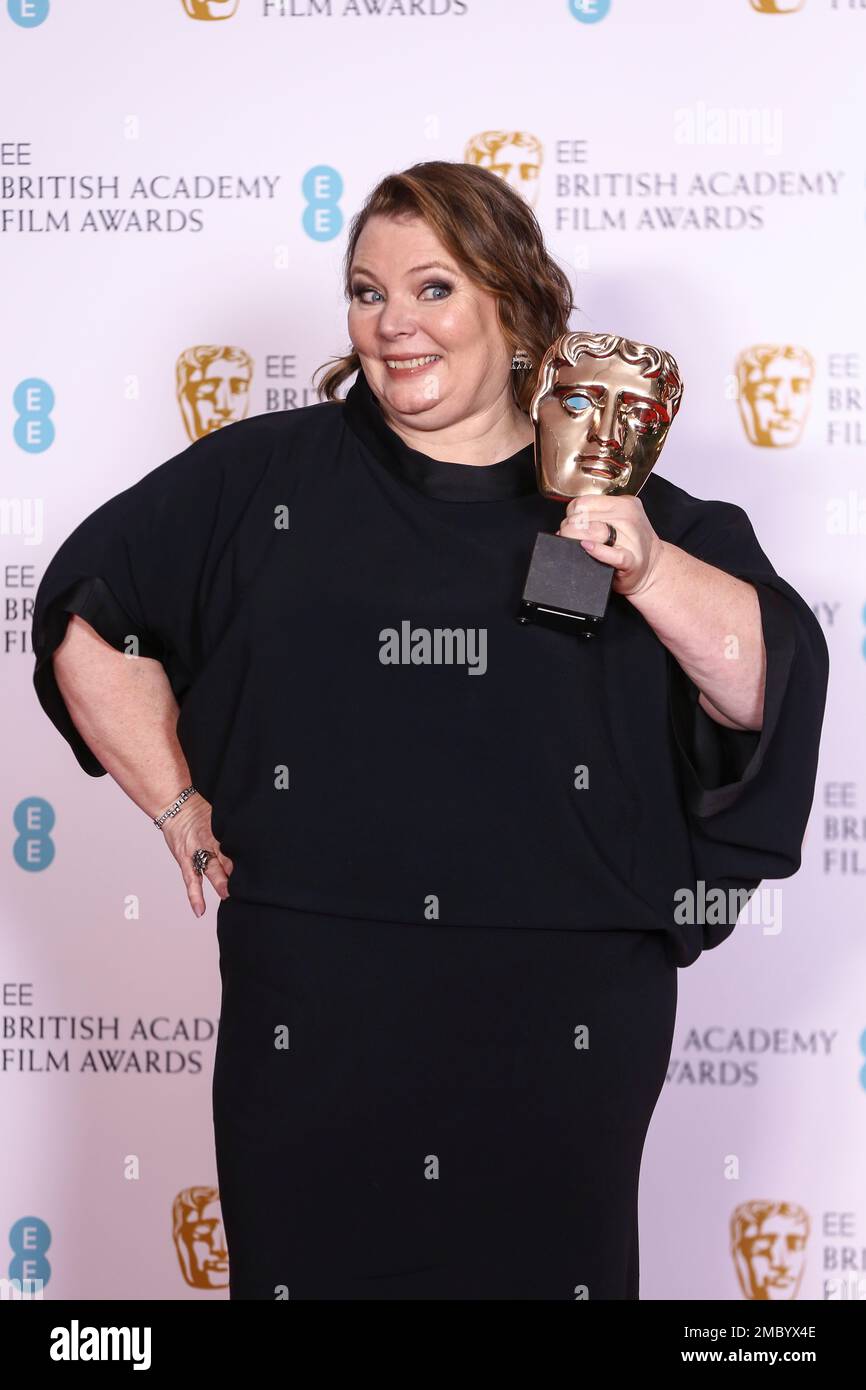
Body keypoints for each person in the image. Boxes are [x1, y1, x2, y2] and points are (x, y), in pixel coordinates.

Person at [31, 160, 829, 1301]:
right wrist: (174, 799)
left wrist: (640, 558)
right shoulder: (263, 480)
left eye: (432, 287)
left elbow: (765, 683)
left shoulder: (628, 504)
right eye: (366, 291)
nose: (393, 321)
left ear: (511, 306)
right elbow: (82, 613)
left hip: (563, 1021)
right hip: (315, 1015)